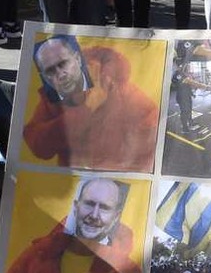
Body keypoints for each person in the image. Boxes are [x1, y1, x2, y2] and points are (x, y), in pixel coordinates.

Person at [1, 177, 142, 273]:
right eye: (89, 204)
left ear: (116, 216)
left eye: (104, 208)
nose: (94, 215)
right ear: (76, 206)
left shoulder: (127, 272)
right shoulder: (40, 254)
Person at [22, 34, 159, 171]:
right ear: (45, 77)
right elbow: (38, 147)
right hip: (75, 178)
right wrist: (86, 108)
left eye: (63, 64)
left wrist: (123, 164)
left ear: (77, 59)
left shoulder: (113, 85)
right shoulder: (52, 100)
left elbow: (154, 129)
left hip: (116, 175)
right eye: (50, 71)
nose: (61, 74)